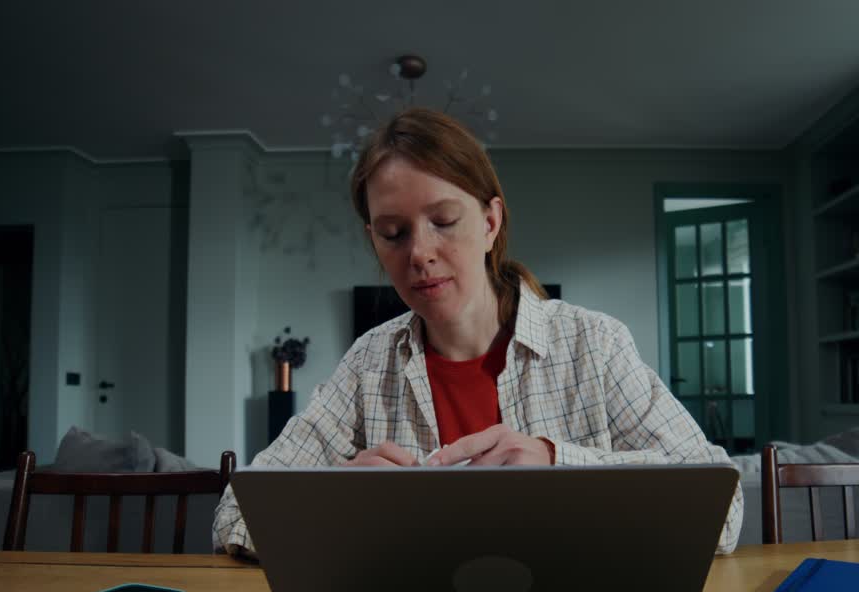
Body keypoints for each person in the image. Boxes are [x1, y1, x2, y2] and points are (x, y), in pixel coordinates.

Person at [213, 107, 743, 558]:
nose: (419, 254)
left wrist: (559, 462)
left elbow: (722, 506)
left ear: (490, 223)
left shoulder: (595, 343)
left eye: (443, 221)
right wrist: (339, 505)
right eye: (393, 234)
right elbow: (236, 513)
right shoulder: (367, 363)